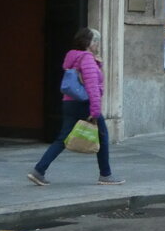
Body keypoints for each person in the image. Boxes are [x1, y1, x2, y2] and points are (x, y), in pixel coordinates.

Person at [27, 27, 124, 186]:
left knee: (62, 138)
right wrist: (95, 111)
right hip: (84, 104)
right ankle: (105, 175)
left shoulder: (72, 57)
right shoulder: (86, 58)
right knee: (103, 136)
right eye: (96, 41)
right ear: (89, 42)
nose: (97, 44)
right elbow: (92, 86)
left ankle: (38, 171)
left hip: (69, 102)